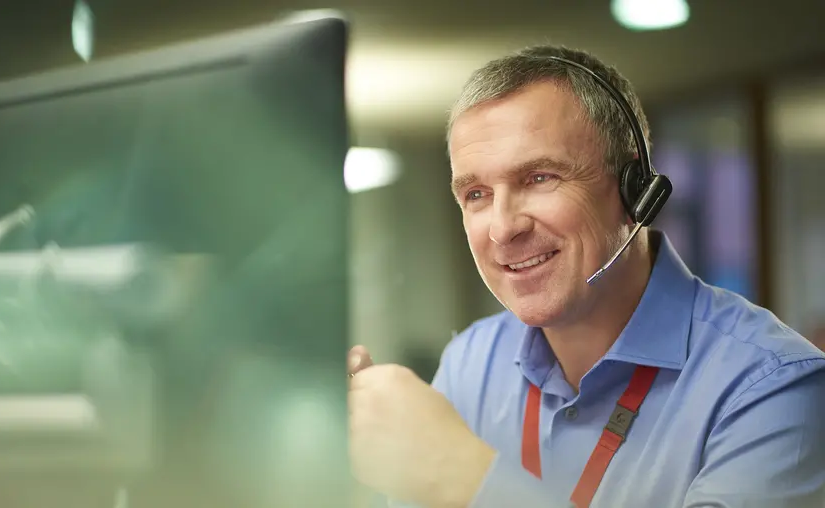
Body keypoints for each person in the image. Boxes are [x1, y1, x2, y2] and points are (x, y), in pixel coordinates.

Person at [346, 45, 825, 508]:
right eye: (476, 194)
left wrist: (468, 477)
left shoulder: (774, 389)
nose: (503, 227)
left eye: (538, 178)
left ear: (635, 189)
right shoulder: (471, 362)